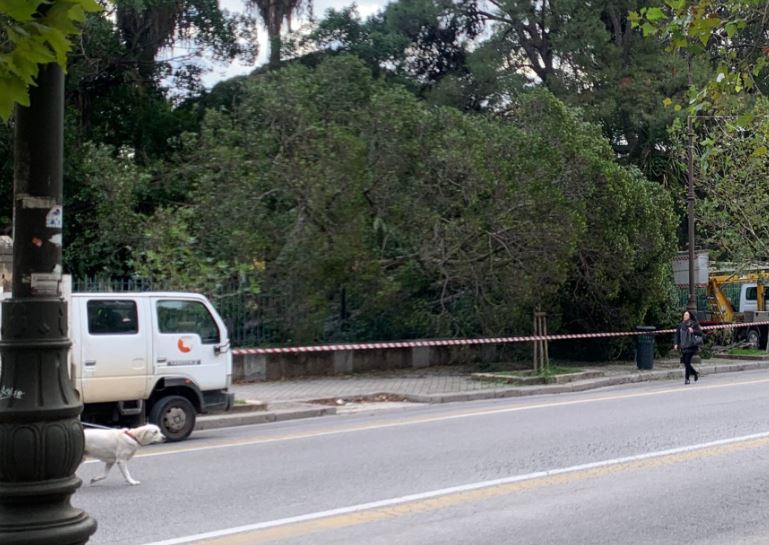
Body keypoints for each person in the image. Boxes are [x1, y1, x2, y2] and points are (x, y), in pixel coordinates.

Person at [673, 310, 702, 384]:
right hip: (683, 346)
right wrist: (676, 344)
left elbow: (700, 333)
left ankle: (687, 379)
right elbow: (677, 335)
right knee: (686, 363)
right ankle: (695, 373)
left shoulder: (694, 324)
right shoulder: (680, 325)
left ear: (689, 316)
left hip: (691, 346)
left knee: (687, 361)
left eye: (686, 315)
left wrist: (693, 331)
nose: (684, 316)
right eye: (684, 315)